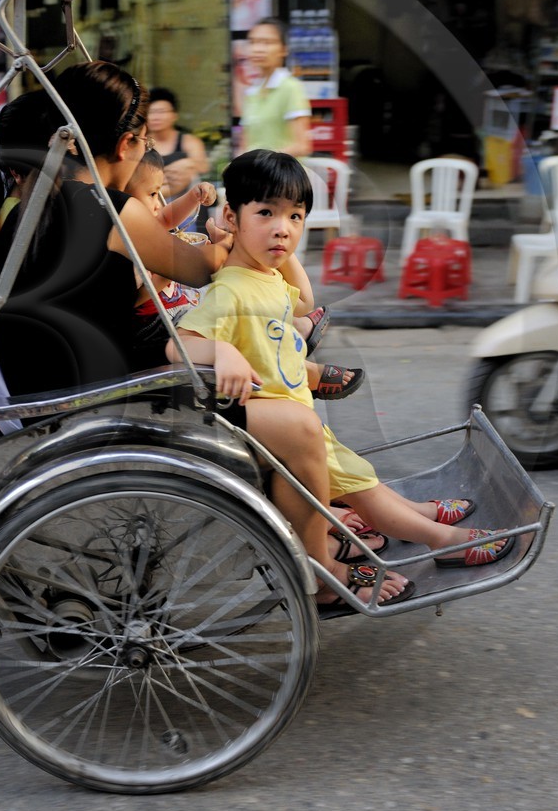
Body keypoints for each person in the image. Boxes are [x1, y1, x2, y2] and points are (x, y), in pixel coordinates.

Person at [171, 150, 513, 607]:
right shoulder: (232, 288)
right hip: (280, 428)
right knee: (368, 493)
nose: (283, 228)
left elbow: (302, 299)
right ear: (231, 215)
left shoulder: (264, 276)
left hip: (297, 415)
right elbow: (179, 344)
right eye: (266, 213)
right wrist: (223, 350)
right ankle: (441, 540)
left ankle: (430, 530)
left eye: (296, 216)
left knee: (366, 486)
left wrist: (274, 246)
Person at [0, 63, 228, 395]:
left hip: (45, 383)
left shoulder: (35, 200)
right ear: (125, 144)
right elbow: (201, 269)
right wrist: (230, 239)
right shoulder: (112, 208)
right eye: (144, 142)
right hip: (89, 393)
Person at [124, 148, 355, 399]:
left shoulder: (144, 226)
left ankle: (296, 329)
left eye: (295, 217)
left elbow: (164, 219)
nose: (160, 202)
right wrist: (172, 271)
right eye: (152, 194)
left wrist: (193, 197)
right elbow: (136, 301)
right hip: (162, 328)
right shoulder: (127, 246)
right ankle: (305, 368)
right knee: (240, 332)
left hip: (182, 307)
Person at [237, 19, 313, 157]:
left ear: (284, 50)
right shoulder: (252, 92)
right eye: (253, 42)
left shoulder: (290, 88)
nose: (257, 49)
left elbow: (302, 146)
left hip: (281, 175)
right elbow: (245, 145)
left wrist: (260, 161)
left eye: (267, 43)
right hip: (254, 175)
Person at [144, 87, 209, 204]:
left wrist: (190, 163)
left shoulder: (188, 141)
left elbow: (204, 167)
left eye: (161, 112)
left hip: (186, 207)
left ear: (174, 115)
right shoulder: (140, 143)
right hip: (150, 205)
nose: (156, 117)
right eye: (151, 112)